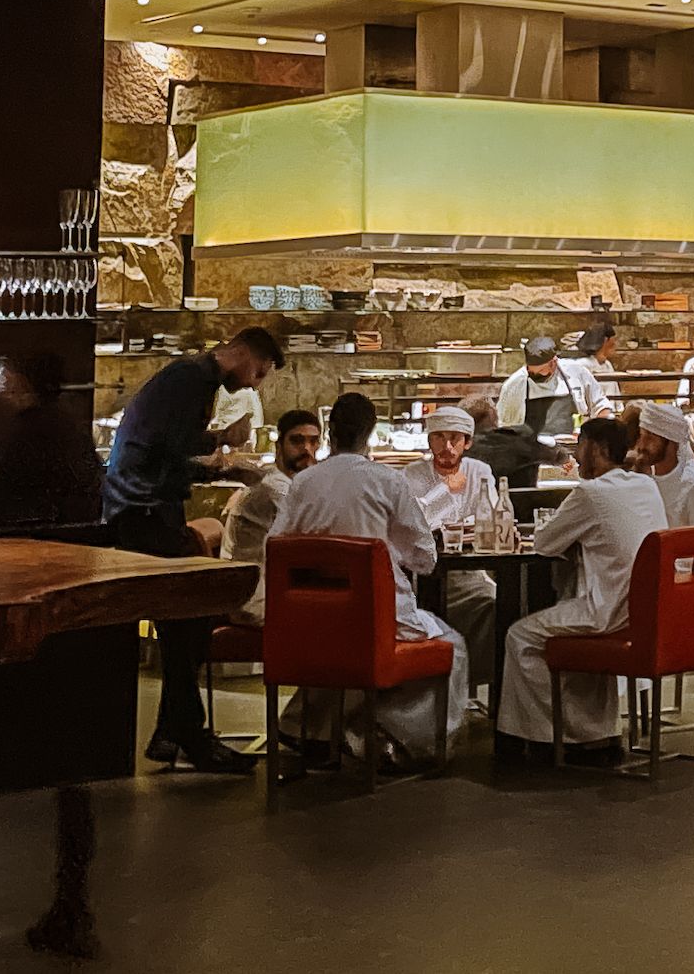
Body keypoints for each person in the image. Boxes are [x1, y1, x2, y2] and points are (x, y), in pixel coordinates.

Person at [104, 326, 285, 773]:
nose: (253, 384)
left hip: (143, 507)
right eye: (257, 372)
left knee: (184, 622)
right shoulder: (190, 379)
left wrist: (223, 467)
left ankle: (173, 732)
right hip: (141, 510)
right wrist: (224, 440)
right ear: (240, 352)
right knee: (189, 616)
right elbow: (173, 445)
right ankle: (190, 737)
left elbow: (166, 456)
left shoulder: (190, 379)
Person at [269, 392, 469, 770]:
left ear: (329, 433)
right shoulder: (386, 481)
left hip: (313, 616)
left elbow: (276, 547)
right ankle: (398, 741)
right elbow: (425, 558)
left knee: (341, 652)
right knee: (452, 646)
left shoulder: (303, 483)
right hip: (375, 617)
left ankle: (311, 727)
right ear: (371, 434)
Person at [497, 418, 666, 754]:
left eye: (581, 446)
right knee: (557, 622)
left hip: (608, 611)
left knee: (521, 636)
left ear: (598, 449)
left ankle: (548, 738)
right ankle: (596, 731)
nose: (576, 454)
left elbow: (545, 542)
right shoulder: (646, 486)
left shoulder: (591, 492)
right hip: (647, 611)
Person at [402, 407, 496, 686]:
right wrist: (445, 491)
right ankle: (438, 687)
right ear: (429, 441)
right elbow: (414, 524)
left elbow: (489, 518)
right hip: (422, 578)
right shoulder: (411, 475)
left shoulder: (480, 471)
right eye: (439, 437)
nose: (447, 446)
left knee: (492, 603)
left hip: (470, 577)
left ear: (467, 442)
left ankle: (473, 682)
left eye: (455, 438)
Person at [220, 408, 320, 625]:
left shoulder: (285, 484)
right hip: (255, 601)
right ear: (278, 447)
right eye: (297, 441)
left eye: (313, 442)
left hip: (269, 592)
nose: (307, 449)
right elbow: (314, 544)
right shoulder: (274, 489)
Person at [0, 354, 103, 528]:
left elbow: (3, 503)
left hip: (35, 542)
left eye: (4, 377)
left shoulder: (23, 432)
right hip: (79, 536)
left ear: (21, 384)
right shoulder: (69, 424)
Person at [497, 336, 613, 436]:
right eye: (531, 372)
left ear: (554, 363)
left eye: (541, 370)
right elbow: (503, 424)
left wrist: (594, 435)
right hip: (531, 451)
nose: (535, 375)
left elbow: (601, 404)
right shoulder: (514, 384)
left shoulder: (576, 371)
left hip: (571, 444)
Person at [633, 401, 694, 527]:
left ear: (671, 443)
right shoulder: (642, 479)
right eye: (641, 436)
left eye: (650, 438)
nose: (641, 445)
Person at [459, 396, 555, 488]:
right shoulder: (518, 442)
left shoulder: (456, 450)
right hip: (520, 503)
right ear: (493, 417)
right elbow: (556, 456)